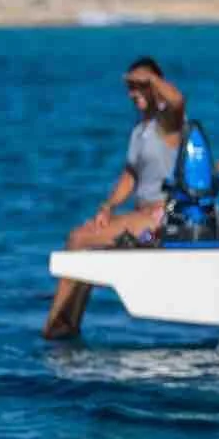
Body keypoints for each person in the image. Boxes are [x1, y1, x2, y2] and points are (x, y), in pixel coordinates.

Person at [41, 57, 186, 340]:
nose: (133, 93)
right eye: (129, 88)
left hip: (162, 220)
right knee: (82, 240)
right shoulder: (140, 129)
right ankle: (66, 326)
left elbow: (178, 100)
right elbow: (130, 174)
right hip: (140, 216)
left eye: (139, 87)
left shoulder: (168, 123)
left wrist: (152, 80)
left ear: (155, 86)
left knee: (79, 240)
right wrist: (107, 207)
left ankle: (56, 330)